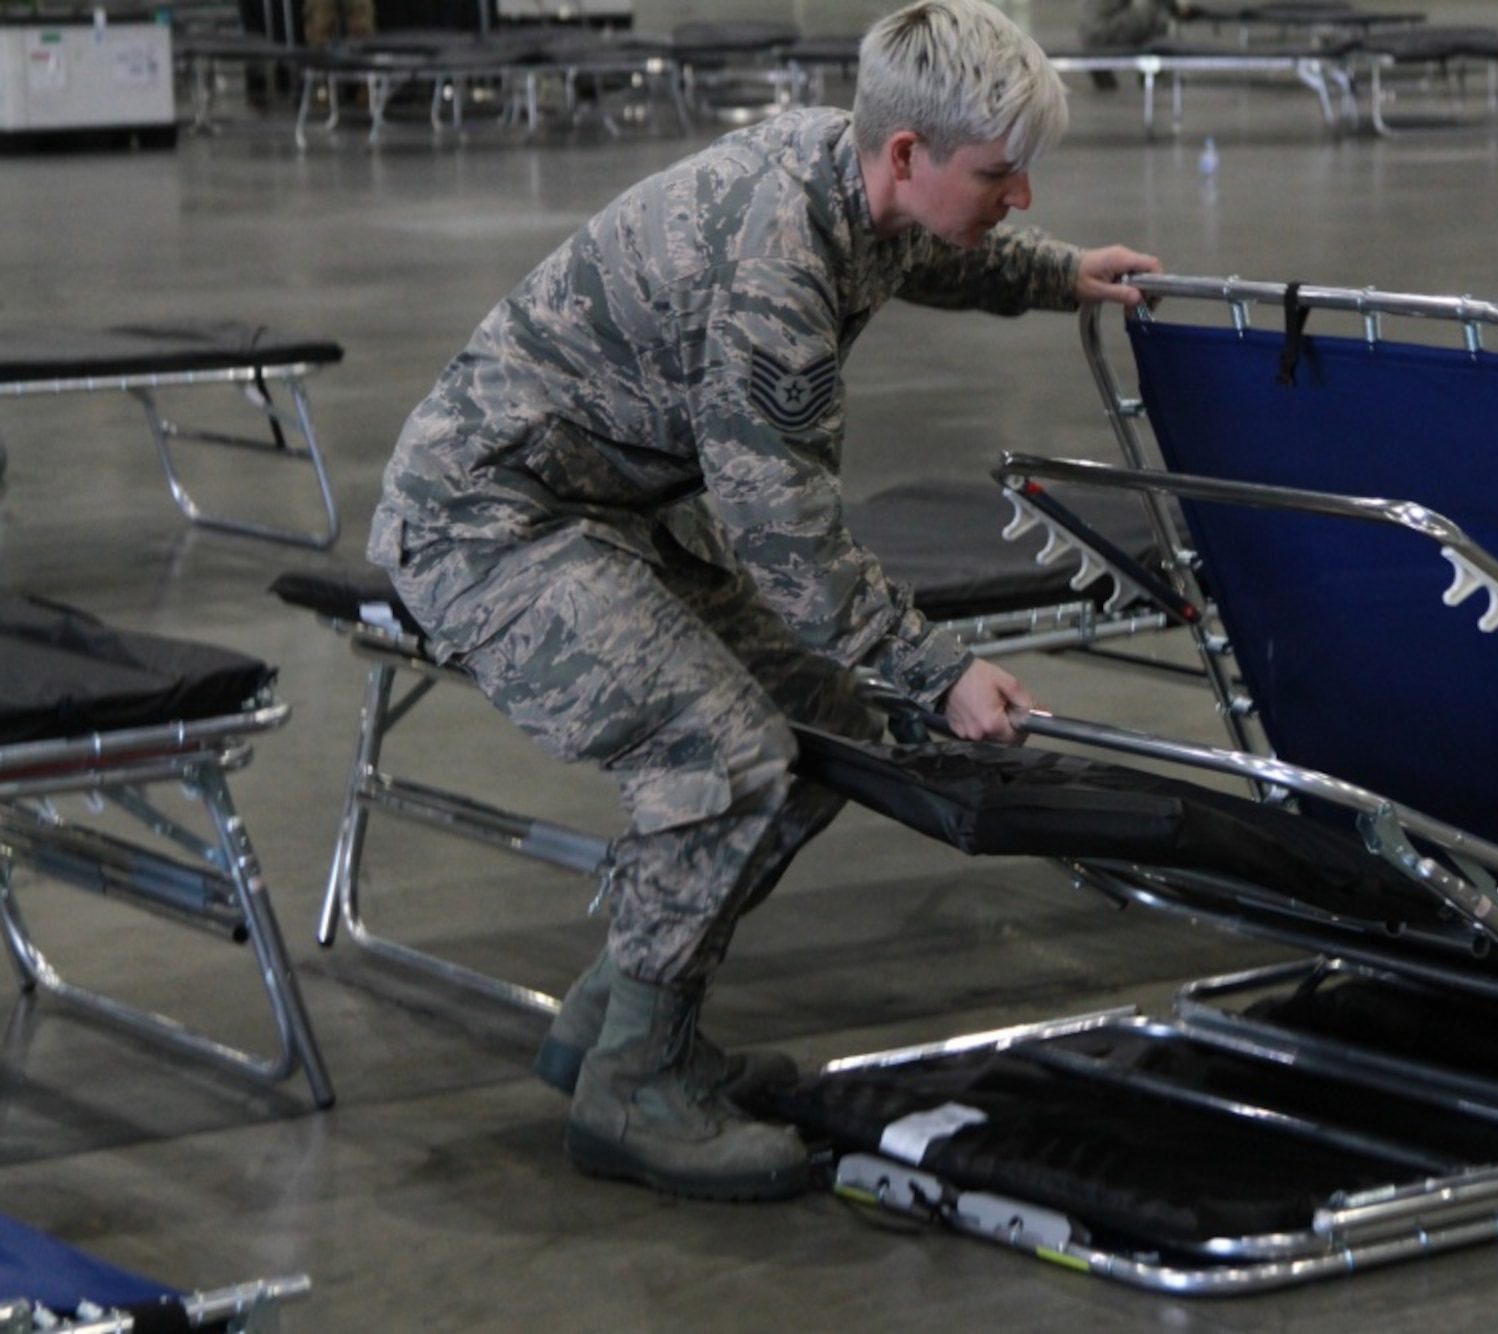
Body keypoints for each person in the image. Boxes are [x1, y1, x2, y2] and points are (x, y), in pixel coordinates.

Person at [367, 0, 1162, 1205]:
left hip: (605, 506)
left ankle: (625, 1022)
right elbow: (784, 539)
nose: (1021, 197)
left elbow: (938, 249)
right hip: (489, 521)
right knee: (728, 753)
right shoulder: (773, 280)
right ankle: (630, 1092)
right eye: (1003, 174)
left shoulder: (849, 169)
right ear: (907, 151)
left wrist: (1063, 278)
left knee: (829, 728)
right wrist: (938, 669)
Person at [1078, 0, 1189, 88]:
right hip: (1102, 29)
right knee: (1156, 11)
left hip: (1089, 32)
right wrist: (1176, 6)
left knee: (1145, 8)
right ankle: (1153, 73)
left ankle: (1101, 71)